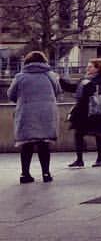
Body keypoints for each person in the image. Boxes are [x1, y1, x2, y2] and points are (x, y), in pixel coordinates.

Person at [8, 51, 61, 183]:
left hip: (26, 113)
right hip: (46, 113)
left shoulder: (20, 77)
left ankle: (25, 175)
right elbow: (58, 91)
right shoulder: (51, 75)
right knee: (44, 144)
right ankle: (46, 174)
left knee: (27, 145)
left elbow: (11, 95)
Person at [60, 58, 101, 167]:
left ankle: (100, 159)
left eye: (90, 66)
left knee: (99, 134)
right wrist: (60, 81)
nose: (88, 68)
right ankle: (79, 159)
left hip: (97, 112)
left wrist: (89, 84)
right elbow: (72, 88)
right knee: (78, 134)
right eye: (88, 66)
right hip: (83, 112)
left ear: (98, 69)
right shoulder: (83, 80)